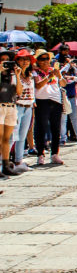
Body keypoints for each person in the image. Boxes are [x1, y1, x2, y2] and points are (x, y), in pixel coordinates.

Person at [32, 50, 66, 165]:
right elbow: (38, 85)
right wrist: (48, 76)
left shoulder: (54, 71)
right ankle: (40, 154)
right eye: (43, 59)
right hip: (42, 101)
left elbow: (63, 84)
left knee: (56, 128)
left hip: (56, 100)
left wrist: (59, 75)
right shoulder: (35, 72)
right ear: (38, 61)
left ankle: (55, 154)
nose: (46, 61)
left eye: (47, 59)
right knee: (41, 127)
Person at [12, 50, 35, 173]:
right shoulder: (14, 74)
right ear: (17, 61)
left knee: (22, 135)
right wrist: (17, 75)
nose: (25, 61)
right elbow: (18, 92)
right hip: (18, 106)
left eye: (27, 59)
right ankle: (3, 161)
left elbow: (32, 90)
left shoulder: (30, 75)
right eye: (22, 59)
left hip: (28, 106)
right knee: (12, 136)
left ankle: (18, 160)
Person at [0, 48, 18, 177]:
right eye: (2, 60)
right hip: (0, 106)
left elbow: (19, 91)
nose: (5, 63)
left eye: (7, 60)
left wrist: (17, 75)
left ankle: (6, 165)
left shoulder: (12, 75)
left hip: (11, 106)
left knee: (7, 138)